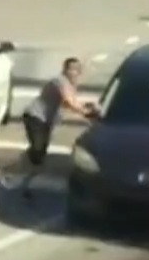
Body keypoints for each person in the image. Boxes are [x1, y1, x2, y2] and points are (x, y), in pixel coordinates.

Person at [18, 57, 98, 200]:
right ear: (65, 70)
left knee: (40, 153)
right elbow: (68, 101)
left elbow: (72, 103)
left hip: (47, 122)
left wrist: (89, 109)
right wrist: (86, 112)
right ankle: (24, 172)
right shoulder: (59, 81)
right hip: (34, 116)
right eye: (71, 69)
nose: (74, 72)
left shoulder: (71, 86)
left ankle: (27, 179)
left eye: (77, 69)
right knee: (37, 149)